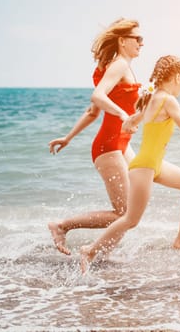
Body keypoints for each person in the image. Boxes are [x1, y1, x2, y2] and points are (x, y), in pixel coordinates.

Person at [80, 55, 180, 273]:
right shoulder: (167, 100)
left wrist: (130, 124)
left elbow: (129, 123)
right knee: (130, 219)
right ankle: (89, 250)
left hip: (154, 164)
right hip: (144, 166)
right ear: (176, 77)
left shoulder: (152, 98)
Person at [47, 18, 145, 255]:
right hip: (109, 147)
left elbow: (93, 112)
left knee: (134, 207)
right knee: (125, 214)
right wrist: (124, 115)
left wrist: (68, 137)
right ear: (123, 41)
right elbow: (97, 97)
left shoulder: (124, 66)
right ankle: (62, 226)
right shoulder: (120, 65)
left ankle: (100, 255)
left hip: (120, 146)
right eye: (138, 39)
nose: (142, 43)